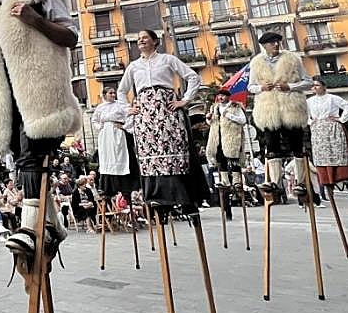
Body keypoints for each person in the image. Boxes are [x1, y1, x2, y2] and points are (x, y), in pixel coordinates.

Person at [0, 0, 80, 274]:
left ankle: (31, 229)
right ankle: (53, 226)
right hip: (6, 94)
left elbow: (70, 37)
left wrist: (35, 20)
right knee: (25, 158)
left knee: (34, 155)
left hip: (39, 89)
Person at [117, 30, 206, 213]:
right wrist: (128, 108)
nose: (141, 40)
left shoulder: (167, 59)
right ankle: (158, 199)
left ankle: (182, 197)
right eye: (139, 38)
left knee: (174, 147)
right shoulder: (133, 66)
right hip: (145, 113)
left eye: (145, 37)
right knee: (150, 152)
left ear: (155, 41)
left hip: (167, 108)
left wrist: (185, 100)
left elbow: (193, 77)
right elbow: (121, 90)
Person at [248, 31, 316, 205]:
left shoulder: (293, 59)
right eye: (272, 43)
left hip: (291, 107)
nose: (276, 45)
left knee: (296, 145)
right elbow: (251, 87)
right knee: (271, 146)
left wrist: (291, 86)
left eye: (278, 42)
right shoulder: (256, 62)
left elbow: (308, 82)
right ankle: (275, 182)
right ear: (264, 45)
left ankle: (301, 183)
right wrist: (261, 87)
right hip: (269, 108)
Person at [305, 78, 348, 193]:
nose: (315, 87)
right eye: (313, 86)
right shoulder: (309, 101)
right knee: (322, 154)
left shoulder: (333, 98)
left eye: (317, 85)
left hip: (332, 127)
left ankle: (343, 176)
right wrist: (311, 122)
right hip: (318, 129)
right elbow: (303, 114)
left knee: (337, 151)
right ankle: (327, 178)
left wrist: (341, 119)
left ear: (324, 87)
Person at [91, 86, 141, 206]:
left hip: (117, 133)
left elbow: (129, 116)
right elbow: (94, 120)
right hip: (105, 135)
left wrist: (123, 127)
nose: (113, 95)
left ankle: (124, 185)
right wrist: (100, 128)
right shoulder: (100, 107)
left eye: (114, 93)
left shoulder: (120, 105)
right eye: (110, 93)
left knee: (120, 155)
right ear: (104, 95)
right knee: (107, 157)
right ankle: (108, 185)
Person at [205, 89, 247, 217]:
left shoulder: (235, 107)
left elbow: (243, 120)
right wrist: (208, 119)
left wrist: (230, 116)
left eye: (223, 95)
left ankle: (236, 182)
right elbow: (212, 123)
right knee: (222, 163)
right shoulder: (215, 108)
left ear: (228, 97)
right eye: (219, 96)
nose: (220, 98)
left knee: (233, 161)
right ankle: (225, 183)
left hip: (231, 139)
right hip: (218, 140)